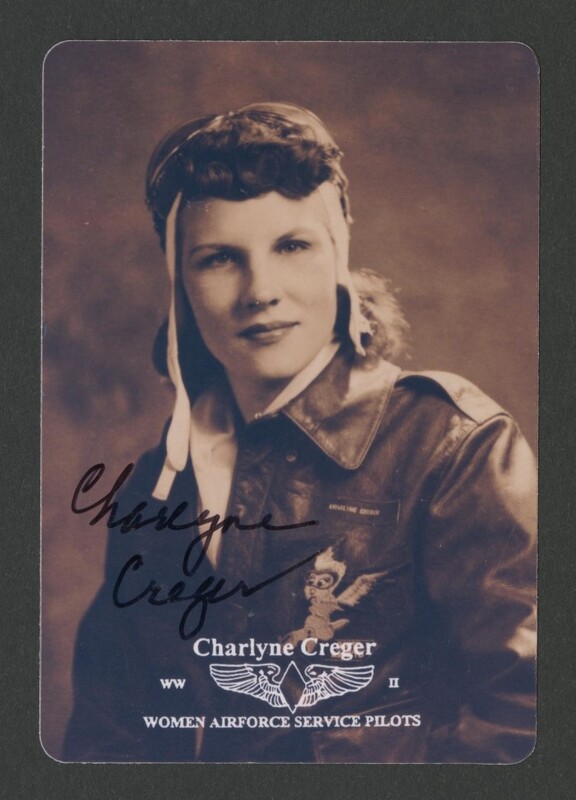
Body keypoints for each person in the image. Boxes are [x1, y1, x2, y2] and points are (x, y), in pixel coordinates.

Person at [63, 103, 536, 763]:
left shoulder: (452, 446)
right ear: (179, 279)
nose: (261, 289)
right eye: (219, 258)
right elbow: (105, 740)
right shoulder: (156, 486)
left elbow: (522, 726)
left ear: (338, 249)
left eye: (292, 246)